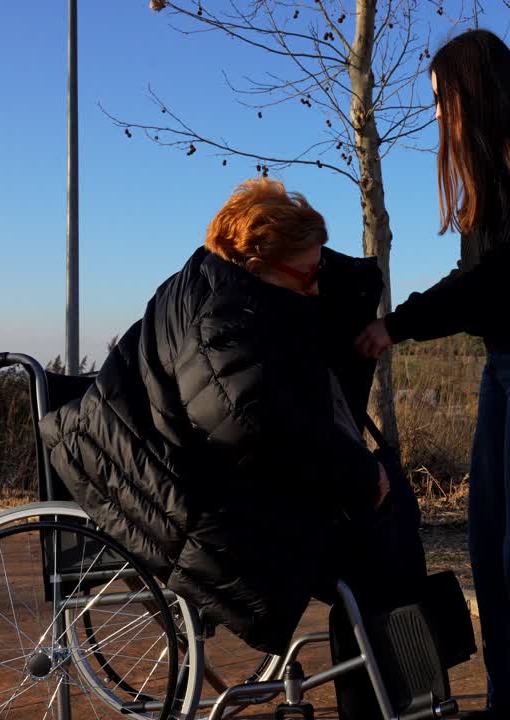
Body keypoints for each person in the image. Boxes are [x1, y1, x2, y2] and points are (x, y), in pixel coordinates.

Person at [40, 177, 425, 657]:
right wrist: (359, 475)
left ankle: (395, 675)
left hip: (189, 476)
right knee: (375, 539)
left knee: (383, 518)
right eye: (308, 274)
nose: (316, 287)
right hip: (191, 503)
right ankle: (394, 681)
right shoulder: (222, 318)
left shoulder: (226, 289)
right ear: (259, 266)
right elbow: (253, 422)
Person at [355, 29, 510, 720]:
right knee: (493, 543)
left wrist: (397, 325)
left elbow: (491, 281)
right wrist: (398, 322)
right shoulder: (495, 169)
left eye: (442, 98)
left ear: (473, 92)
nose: (437, 113)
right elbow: (477, 277)